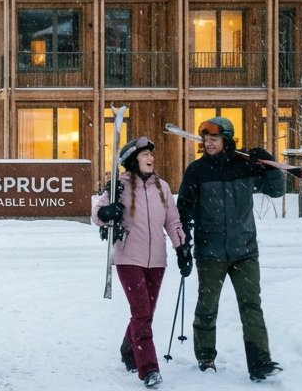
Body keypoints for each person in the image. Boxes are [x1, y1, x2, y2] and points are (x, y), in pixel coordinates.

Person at [176, 116, 285, 382]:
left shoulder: (245, 166)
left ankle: (260, 363)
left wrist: (268, 162)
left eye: (214, 138)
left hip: (245, 250)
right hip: (210, 252)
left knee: (251, 306)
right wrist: (184, 247)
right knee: (207, 306)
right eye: (205, 139)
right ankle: (205, 358)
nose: (208, 143)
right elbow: (183, 210)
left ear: (227, 139)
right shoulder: (197, 170)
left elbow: (277, 190)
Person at [92, 136, 186, 389]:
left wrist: (181, 249)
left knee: (145, 314)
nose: (150, 159)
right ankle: (148, 369)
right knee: (142, 312)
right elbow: (97, 214)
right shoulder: (119, 186)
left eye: (151, 155)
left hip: (157, 260)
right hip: (128, 257)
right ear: (133, 160)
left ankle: (128, 348)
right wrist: (105, 212)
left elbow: (172, 221)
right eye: (145, 155)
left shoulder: (162, 187)